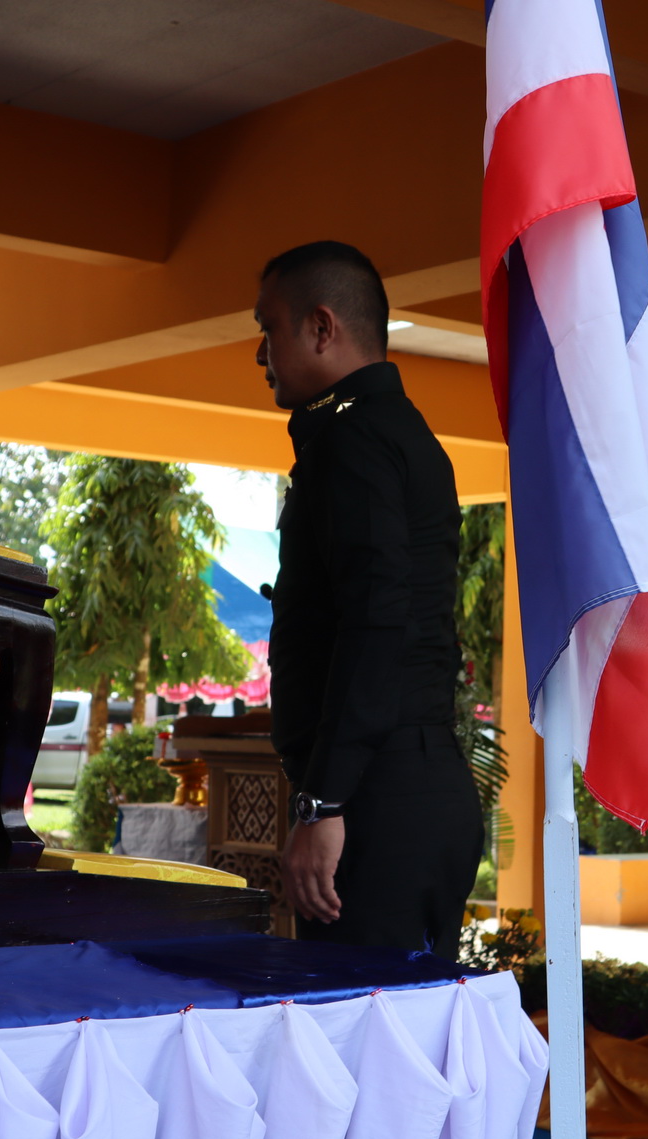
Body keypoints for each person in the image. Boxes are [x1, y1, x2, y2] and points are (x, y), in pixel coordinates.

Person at [261, 241, 481, 959]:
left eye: (269, 328)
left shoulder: (352, 437)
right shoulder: (399, 431)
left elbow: (376, 622)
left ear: (321, 328)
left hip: (376, 802)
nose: (260, 354)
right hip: (413, 784)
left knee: (360, 1025)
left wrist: (324, 801)